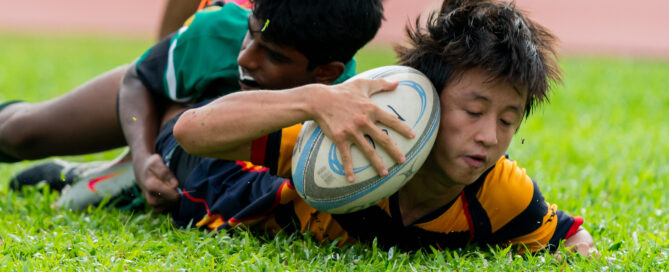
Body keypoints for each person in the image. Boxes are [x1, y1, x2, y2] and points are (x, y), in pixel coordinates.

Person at [169, 0, 598, 255]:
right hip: (207, 179)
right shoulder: (360, 131)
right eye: (473, 112)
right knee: (163, 123)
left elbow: (571, 237)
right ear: (426, 96)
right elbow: (191, 132)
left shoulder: (501, 192)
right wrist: (314, 101)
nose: (489, 136)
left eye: (508, 120)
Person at [6, 0, 386, 212]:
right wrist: (141, 155)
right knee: (19, 132)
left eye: (271, 55)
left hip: (198, 140)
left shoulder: (343, 98)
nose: (247, 59)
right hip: (156, 100)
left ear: (325, 72)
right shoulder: (218, 30)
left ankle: (101, 175)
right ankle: (126, 167)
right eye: (250, 37)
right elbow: (139, 83)